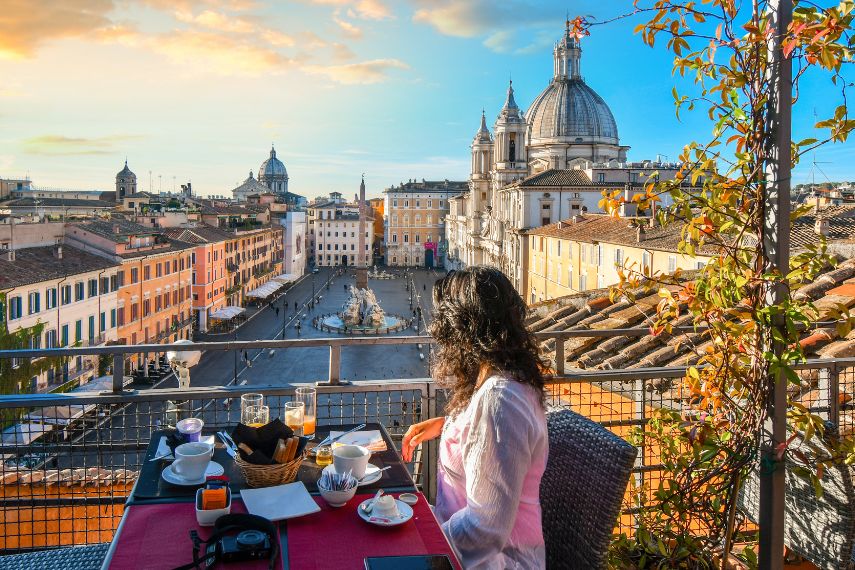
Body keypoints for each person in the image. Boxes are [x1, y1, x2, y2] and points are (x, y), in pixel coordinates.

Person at [402, 266, 548, 569]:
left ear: (464, 330)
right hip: (464, 550)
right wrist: (450, 426)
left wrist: (425, 552)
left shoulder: (501, 400)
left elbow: (486, 527)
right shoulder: (502, 382)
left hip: (494, 561)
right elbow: (496, 443)